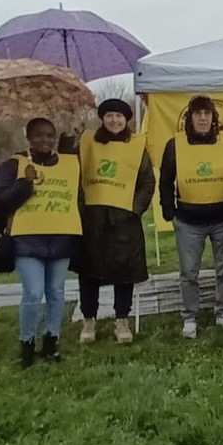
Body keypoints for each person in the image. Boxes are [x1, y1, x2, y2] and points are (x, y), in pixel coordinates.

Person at [0, 118, 81, 367]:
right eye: (39, 136)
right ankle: (27, 343)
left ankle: (52, 340)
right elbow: (1, 202)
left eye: (49, 136)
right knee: (33, 292)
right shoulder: (14, 164)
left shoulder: (67, 163)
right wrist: (25, 183)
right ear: (28, 138)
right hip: (28, 238)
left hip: (61, 235)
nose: (45, 140)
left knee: (56, 292)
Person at [74, 99, 154, 344]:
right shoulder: (88, 143)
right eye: (109, 115)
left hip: (124, 221)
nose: (114, 121)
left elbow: (147, 182)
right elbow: (75, 175)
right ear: (102, 118)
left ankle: (122, 320)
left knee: (124, 273)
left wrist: (134, 209)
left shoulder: (137, 147)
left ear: (126, 119)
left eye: (119, 116)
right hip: (93, 220)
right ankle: (89, 320)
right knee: (89, 273)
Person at [159, 95, 223, 338]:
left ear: (214, 118)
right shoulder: (175, 144)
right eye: (198, 114)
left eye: (207, 114)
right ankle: (190, 317)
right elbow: (165, 181)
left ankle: (222, 313)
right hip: (188, 221)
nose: (203, 118)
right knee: (189, 273)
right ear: (189, 118)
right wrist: (168, 211)